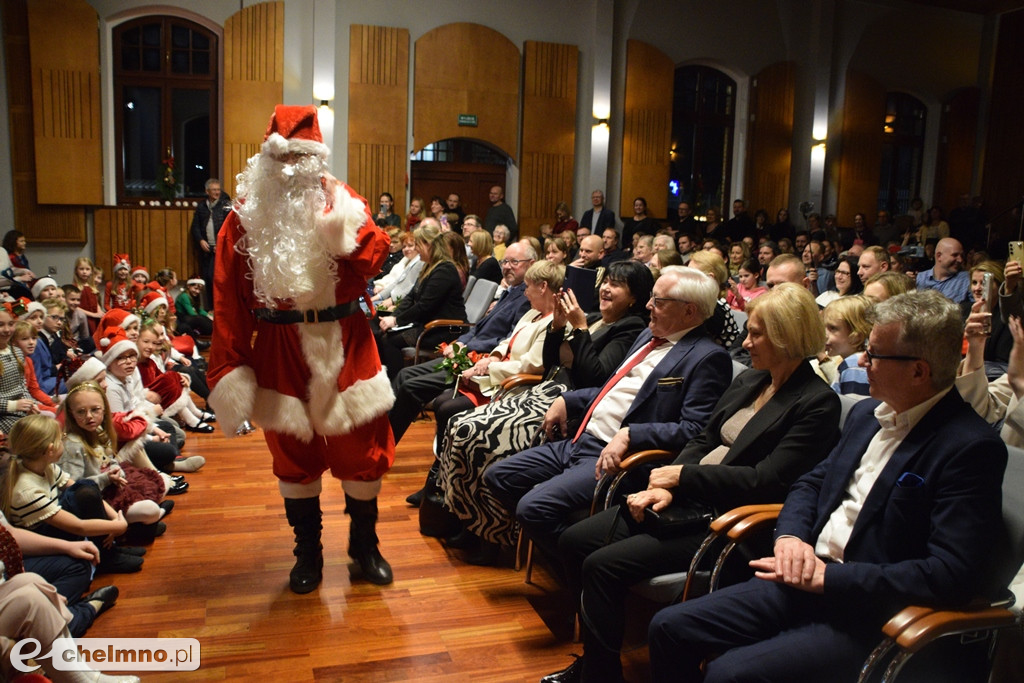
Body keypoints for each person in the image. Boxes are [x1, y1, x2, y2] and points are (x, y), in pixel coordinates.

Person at [647, 290, 1008, 683]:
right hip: (802, 578)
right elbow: (811, 482)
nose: (861, 362)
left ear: (919, 371)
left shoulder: (969, 447)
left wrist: (829, 579)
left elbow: (949, 574)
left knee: (729, 673)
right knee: (669, 627)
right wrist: (791, 538)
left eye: (873, 354)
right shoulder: (869, 414)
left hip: (870, 612)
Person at [547, 283, 840, 683]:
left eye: (756, 334)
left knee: (601, 565)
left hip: (728, 520)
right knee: (573, 541)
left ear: (788, 337)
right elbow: (702, 438)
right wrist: (666, 485)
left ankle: (600, 673)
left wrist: (682, 476)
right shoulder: (751, 380)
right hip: (684, 498)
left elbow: (766, 479)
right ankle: (597, 658)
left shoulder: (816, 401)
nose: (745, 341)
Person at [209, 104, 397, 591]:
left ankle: (364, 545)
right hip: (279, 342)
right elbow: (228, 299)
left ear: (316, 160)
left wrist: (345, 217)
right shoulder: (243, 217)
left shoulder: (342, 202)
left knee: (362, 450)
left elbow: (375, 260)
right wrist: (230, 366)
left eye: (300, 158)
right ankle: (308, 553)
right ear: (266, 161)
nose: (290, 169)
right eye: (282, 158)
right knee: (293, 454)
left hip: (346, 341)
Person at [485, 267, 733, 563]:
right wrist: (567, 399)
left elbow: (695, 429)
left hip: (616, 458)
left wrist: (632, 434)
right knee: (498, 475)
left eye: (659, 301)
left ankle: (575, 565)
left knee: (532, 507)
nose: (648, 306)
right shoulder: (648, 335)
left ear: (689, 311)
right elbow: (610, 389)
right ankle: (566, 552)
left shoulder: (707, 357)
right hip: (580, 439)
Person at [440, 260, 652, 565]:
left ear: (634, 297)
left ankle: (494, 534)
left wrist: (578, 329)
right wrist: (557, 326)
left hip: (572, 403)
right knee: (461, 425)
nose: (606, 288)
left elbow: (596, 377)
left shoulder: (629, 329)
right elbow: (553, 361)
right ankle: (470, 522)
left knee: (476, 437)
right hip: (547, 390)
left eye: (617, 285)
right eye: (606, 281)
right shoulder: (595, 318)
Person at [1, 414, 136, 575]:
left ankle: (109, 549)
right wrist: (119, 525)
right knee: (85, 493)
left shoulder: (46, 466)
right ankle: (106, 558)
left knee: (86, 487)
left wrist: (114, 518)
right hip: (41, 537)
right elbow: (79, 526)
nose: (64, 441)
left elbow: (85, 488)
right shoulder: (25, 491)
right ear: (50, 449)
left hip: (55, 522)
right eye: (61, 438)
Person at [375, 221, 466, 380]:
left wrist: (396, 320)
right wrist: (394, 316)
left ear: (429, 245)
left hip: (444, 329)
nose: (416, 249)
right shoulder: (429, 266)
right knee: (379, 330)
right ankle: (381, 383)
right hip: (428, 324)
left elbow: (424, 306)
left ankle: (395, 385)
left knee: (389, 341)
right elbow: (410, 297)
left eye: (418, 245)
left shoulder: (445, 269)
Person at [190, 178, 232, 310]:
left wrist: (221, 245)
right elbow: (195, 227)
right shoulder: (202, 207)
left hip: (220, 250)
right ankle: (210, 308)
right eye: (214, 190)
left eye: (218, 189)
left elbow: (229, 228)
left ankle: (220, 308)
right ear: (207, 191)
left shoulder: (225, 206)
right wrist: (201, 240)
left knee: (216, 278)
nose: (217, 192)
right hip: (206, 250)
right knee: (207, 279)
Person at [916, 237, 970, 309]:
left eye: (961, 256)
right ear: (939, 256)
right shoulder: (920, 278)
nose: (960, 260)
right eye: (955, 255)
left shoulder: (967, 280)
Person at [71, 257, 104, 334]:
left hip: (95, 319)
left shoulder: (92, 287)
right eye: (81, 269)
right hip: (84, 319)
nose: (84, 272)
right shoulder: (75, 287)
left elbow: (96, 303)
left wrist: (100, 313)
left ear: (91, 271)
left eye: (87, 269)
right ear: (76, 271)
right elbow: (76, 308)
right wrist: (93, 315)